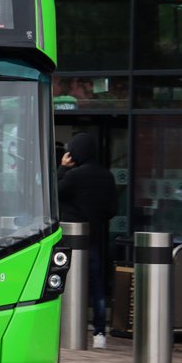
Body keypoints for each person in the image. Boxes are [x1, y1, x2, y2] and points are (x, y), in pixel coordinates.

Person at [58, 132, 117, 348]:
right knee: (96, 284)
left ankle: (66, 331)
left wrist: (63, 168)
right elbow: (113, 209)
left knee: (62, 281)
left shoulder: (74, 176)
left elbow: (53, 193)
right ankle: (100, 333)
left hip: (69, 238)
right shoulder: (106, 175)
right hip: (94, 237)